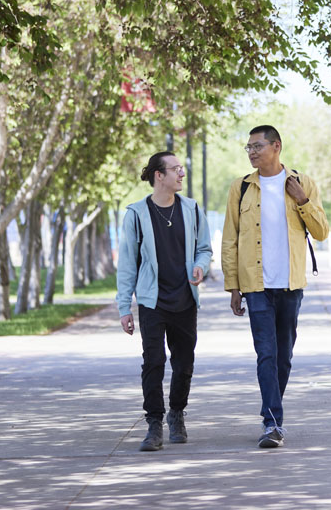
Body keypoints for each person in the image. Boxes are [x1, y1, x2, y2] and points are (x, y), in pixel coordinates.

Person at [221, 125, 329, 448]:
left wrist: (303, 200)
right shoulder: (240, 188)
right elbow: (230, 239)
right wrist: (233, 287)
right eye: (249, 147)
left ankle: (272, 410)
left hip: (291, 284)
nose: (252, 152)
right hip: (256, 286)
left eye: (257, 146)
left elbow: (322, 231)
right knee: (265, 354)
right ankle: (272, 422)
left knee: (284, 358)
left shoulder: (301, 183)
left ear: (276, 146)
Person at [116, 151, 212, 452]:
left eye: (182, 169)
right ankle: (154, 423)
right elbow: (127, 264)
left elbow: (205, 249)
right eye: (176, 169)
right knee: (153, 362)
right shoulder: (136, 214)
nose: (182, 174)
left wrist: (201, 266)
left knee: (184, 364)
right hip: (152, 302)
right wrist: (124, 307)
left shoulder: (192, 209)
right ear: (160, 175)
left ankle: (177, 413)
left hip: (185, 299)